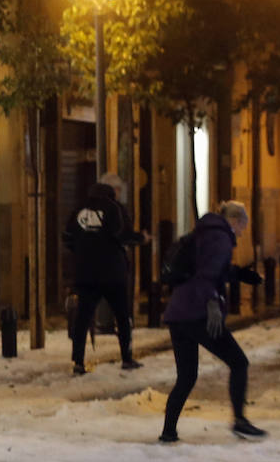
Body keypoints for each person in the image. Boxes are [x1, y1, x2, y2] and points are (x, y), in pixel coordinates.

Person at [159, 200, 267, 443]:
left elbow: (209, 268)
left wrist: (238, 274)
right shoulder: (221, 238)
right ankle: (240, 421)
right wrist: (211, 305)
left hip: (178, 313)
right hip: (199, 314)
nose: (241, 233)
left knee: (186, 376)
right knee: (239, 362)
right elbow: (207, 275)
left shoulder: (204, 232)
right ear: (236, 221)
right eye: (242, 227)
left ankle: (168, 431)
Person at [63, 172, 148, 375]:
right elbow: (122, 234)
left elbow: (67, 237)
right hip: (112, 273)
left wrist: (83, 252)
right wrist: (141, 238)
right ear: (114, 191)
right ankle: (127, 358)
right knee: (122, 315)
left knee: (83, 318)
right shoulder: (114, 208)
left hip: (85, 273)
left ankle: (78, 361)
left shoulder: (79, 209)